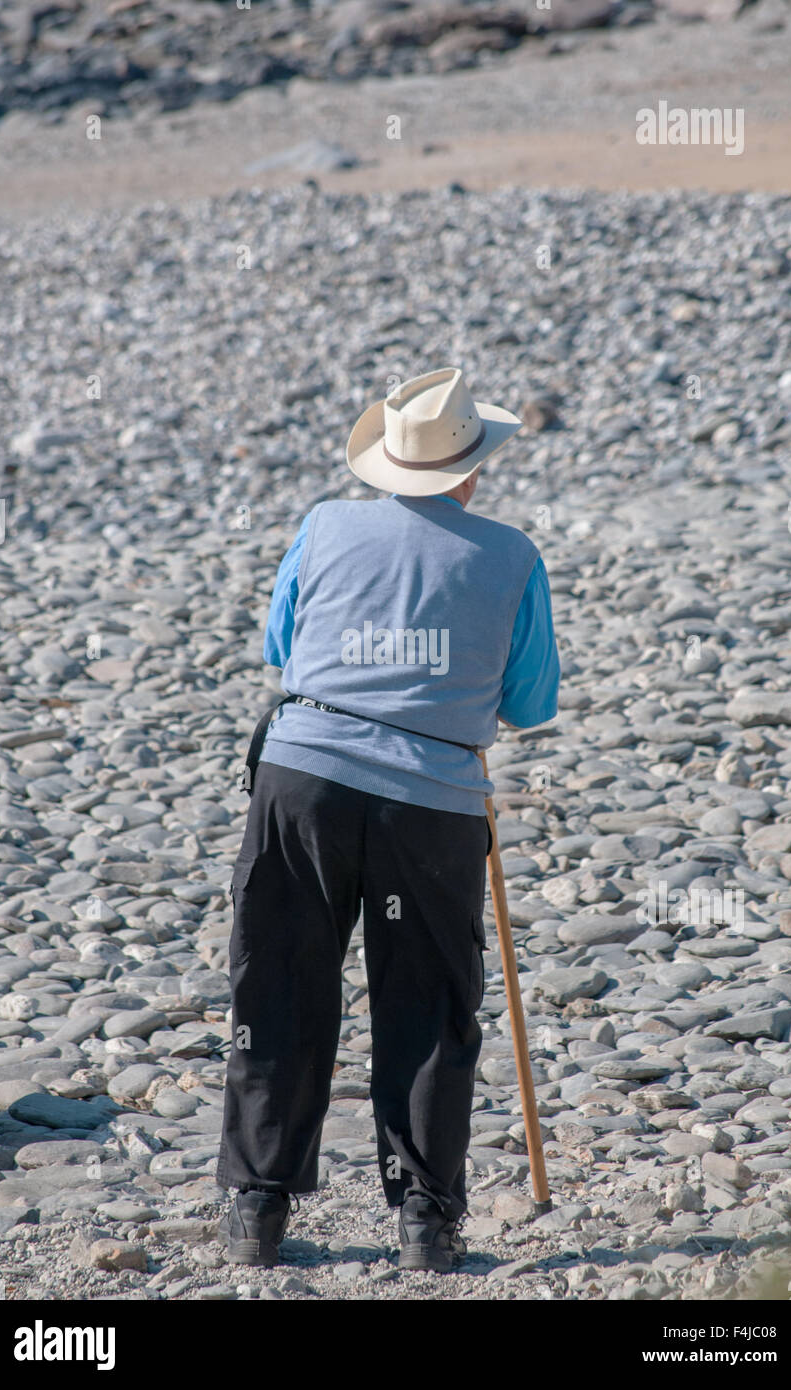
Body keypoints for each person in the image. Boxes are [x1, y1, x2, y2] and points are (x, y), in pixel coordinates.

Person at [217, 367, 560, 1272]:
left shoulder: (325, 524)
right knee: (428, 1002)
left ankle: (256, 1207)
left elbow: (280, 649)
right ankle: (423, 1222)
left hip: (301, 777)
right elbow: (530, 704)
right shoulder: (513, 555)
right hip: (432, 799)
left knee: (279, 987)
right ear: (471, 470)